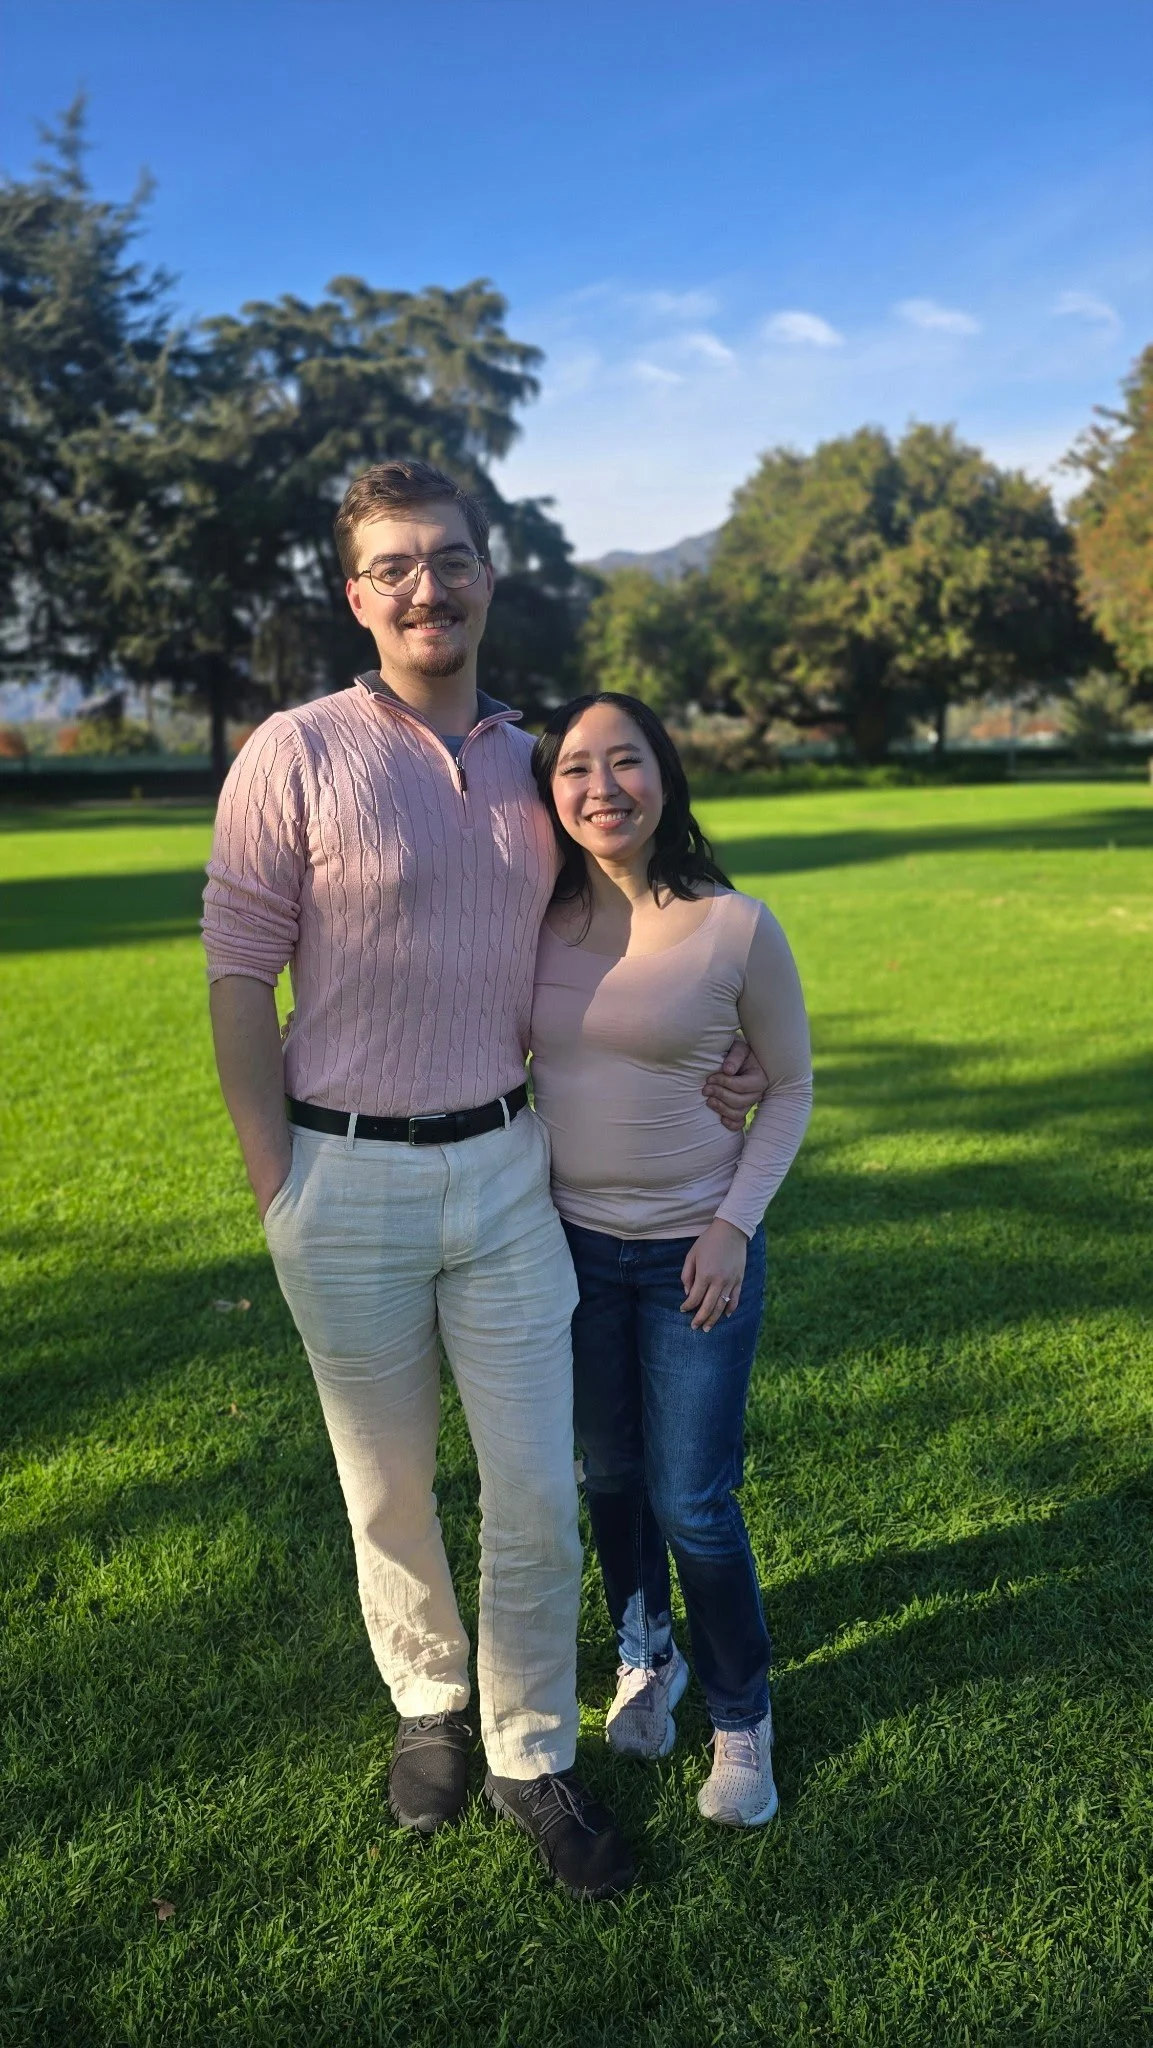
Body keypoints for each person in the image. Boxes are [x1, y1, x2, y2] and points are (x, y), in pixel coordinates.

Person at [201, 460, 764, 1898]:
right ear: (356, 595)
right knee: (384, 1484)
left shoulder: (535, 759)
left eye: (447, 558)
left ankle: (529, 1748)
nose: (424, 586)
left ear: (487, 575)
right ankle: (428, 1708)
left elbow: (621, 930)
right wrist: (283, 1188)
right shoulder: (296, 749)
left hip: (514, 1175)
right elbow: (235, 980)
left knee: (532, 1485)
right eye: (392, 566)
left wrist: (715, 1065)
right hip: (344, 1176)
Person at [529, 692, 812, 1828]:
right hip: (565, 1253)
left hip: (696, 1253)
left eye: (625, 761)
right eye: (574, 768)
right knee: (608, 1478)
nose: (601, 786)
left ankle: (743, 1717)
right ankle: (647, 1651)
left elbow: (786, 1084)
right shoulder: (530, 919)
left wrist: (732, 1222)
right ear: (548, 793)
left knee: (694, 1497)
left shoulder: (734, 924)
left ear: (666, 776)